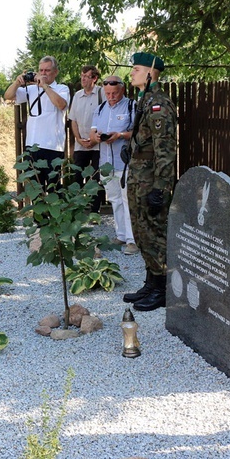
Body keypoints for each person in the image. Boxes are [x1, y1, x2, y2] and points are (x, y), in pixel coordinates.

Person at [121, 52, 177, 312]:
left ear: (150, 73)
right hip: (138, 176)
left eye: (136, 69)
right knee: (141, 232)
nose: (132, 73)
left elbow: (165, 149)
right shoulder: (144, 100)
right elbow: (145, 139)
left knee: (154, 233)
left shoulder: (159, 104)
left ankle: (163, 289)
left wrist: (161, 188)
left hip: (150, 180)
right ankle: (151, 283)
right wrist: (130, 148)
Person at [4, 56, 70, 189]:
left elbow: (61, 105)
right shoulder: (32, 89)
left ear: (55, 72)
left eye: (47, 70)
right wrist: (17, 82)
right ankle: (37, 211)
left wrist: (44, 86)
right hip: (32, 146)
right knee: (34, 188)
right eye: (41, 70)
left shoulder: (62, 88)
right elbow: (8, 96)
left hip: (53, 147)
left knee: (53, 189)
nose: (43, 73)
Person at [89, 75, 138, 255]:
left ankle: (132, 241)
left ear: (122, 90)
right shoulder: (100, 109)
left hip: (125, 163)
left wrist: (120, 135)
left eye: (114, 93)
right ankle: (121, 235)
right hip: (106, 163)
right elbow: (92, 132)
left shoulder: (131, 106)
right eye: (108, 93)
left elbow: (138, 133)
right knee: (115, 199)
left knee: (127, 201)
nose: (111, 96)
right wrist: (97, 137)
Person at [68, 65, 105, 213]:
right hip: (80, 144)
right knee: (77, 176)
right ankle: (76, 209)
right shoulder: (77, 95)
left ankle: (95, 211)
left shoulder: (102, 94)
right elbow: (73, 120)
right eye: (82, 75)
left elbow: (105, 118)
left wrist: (95, 139)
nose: (83, 79)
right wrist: (77, 138)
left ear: (94, 78)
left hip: (97, 145)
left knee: (96, 177)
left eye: (86, 76)